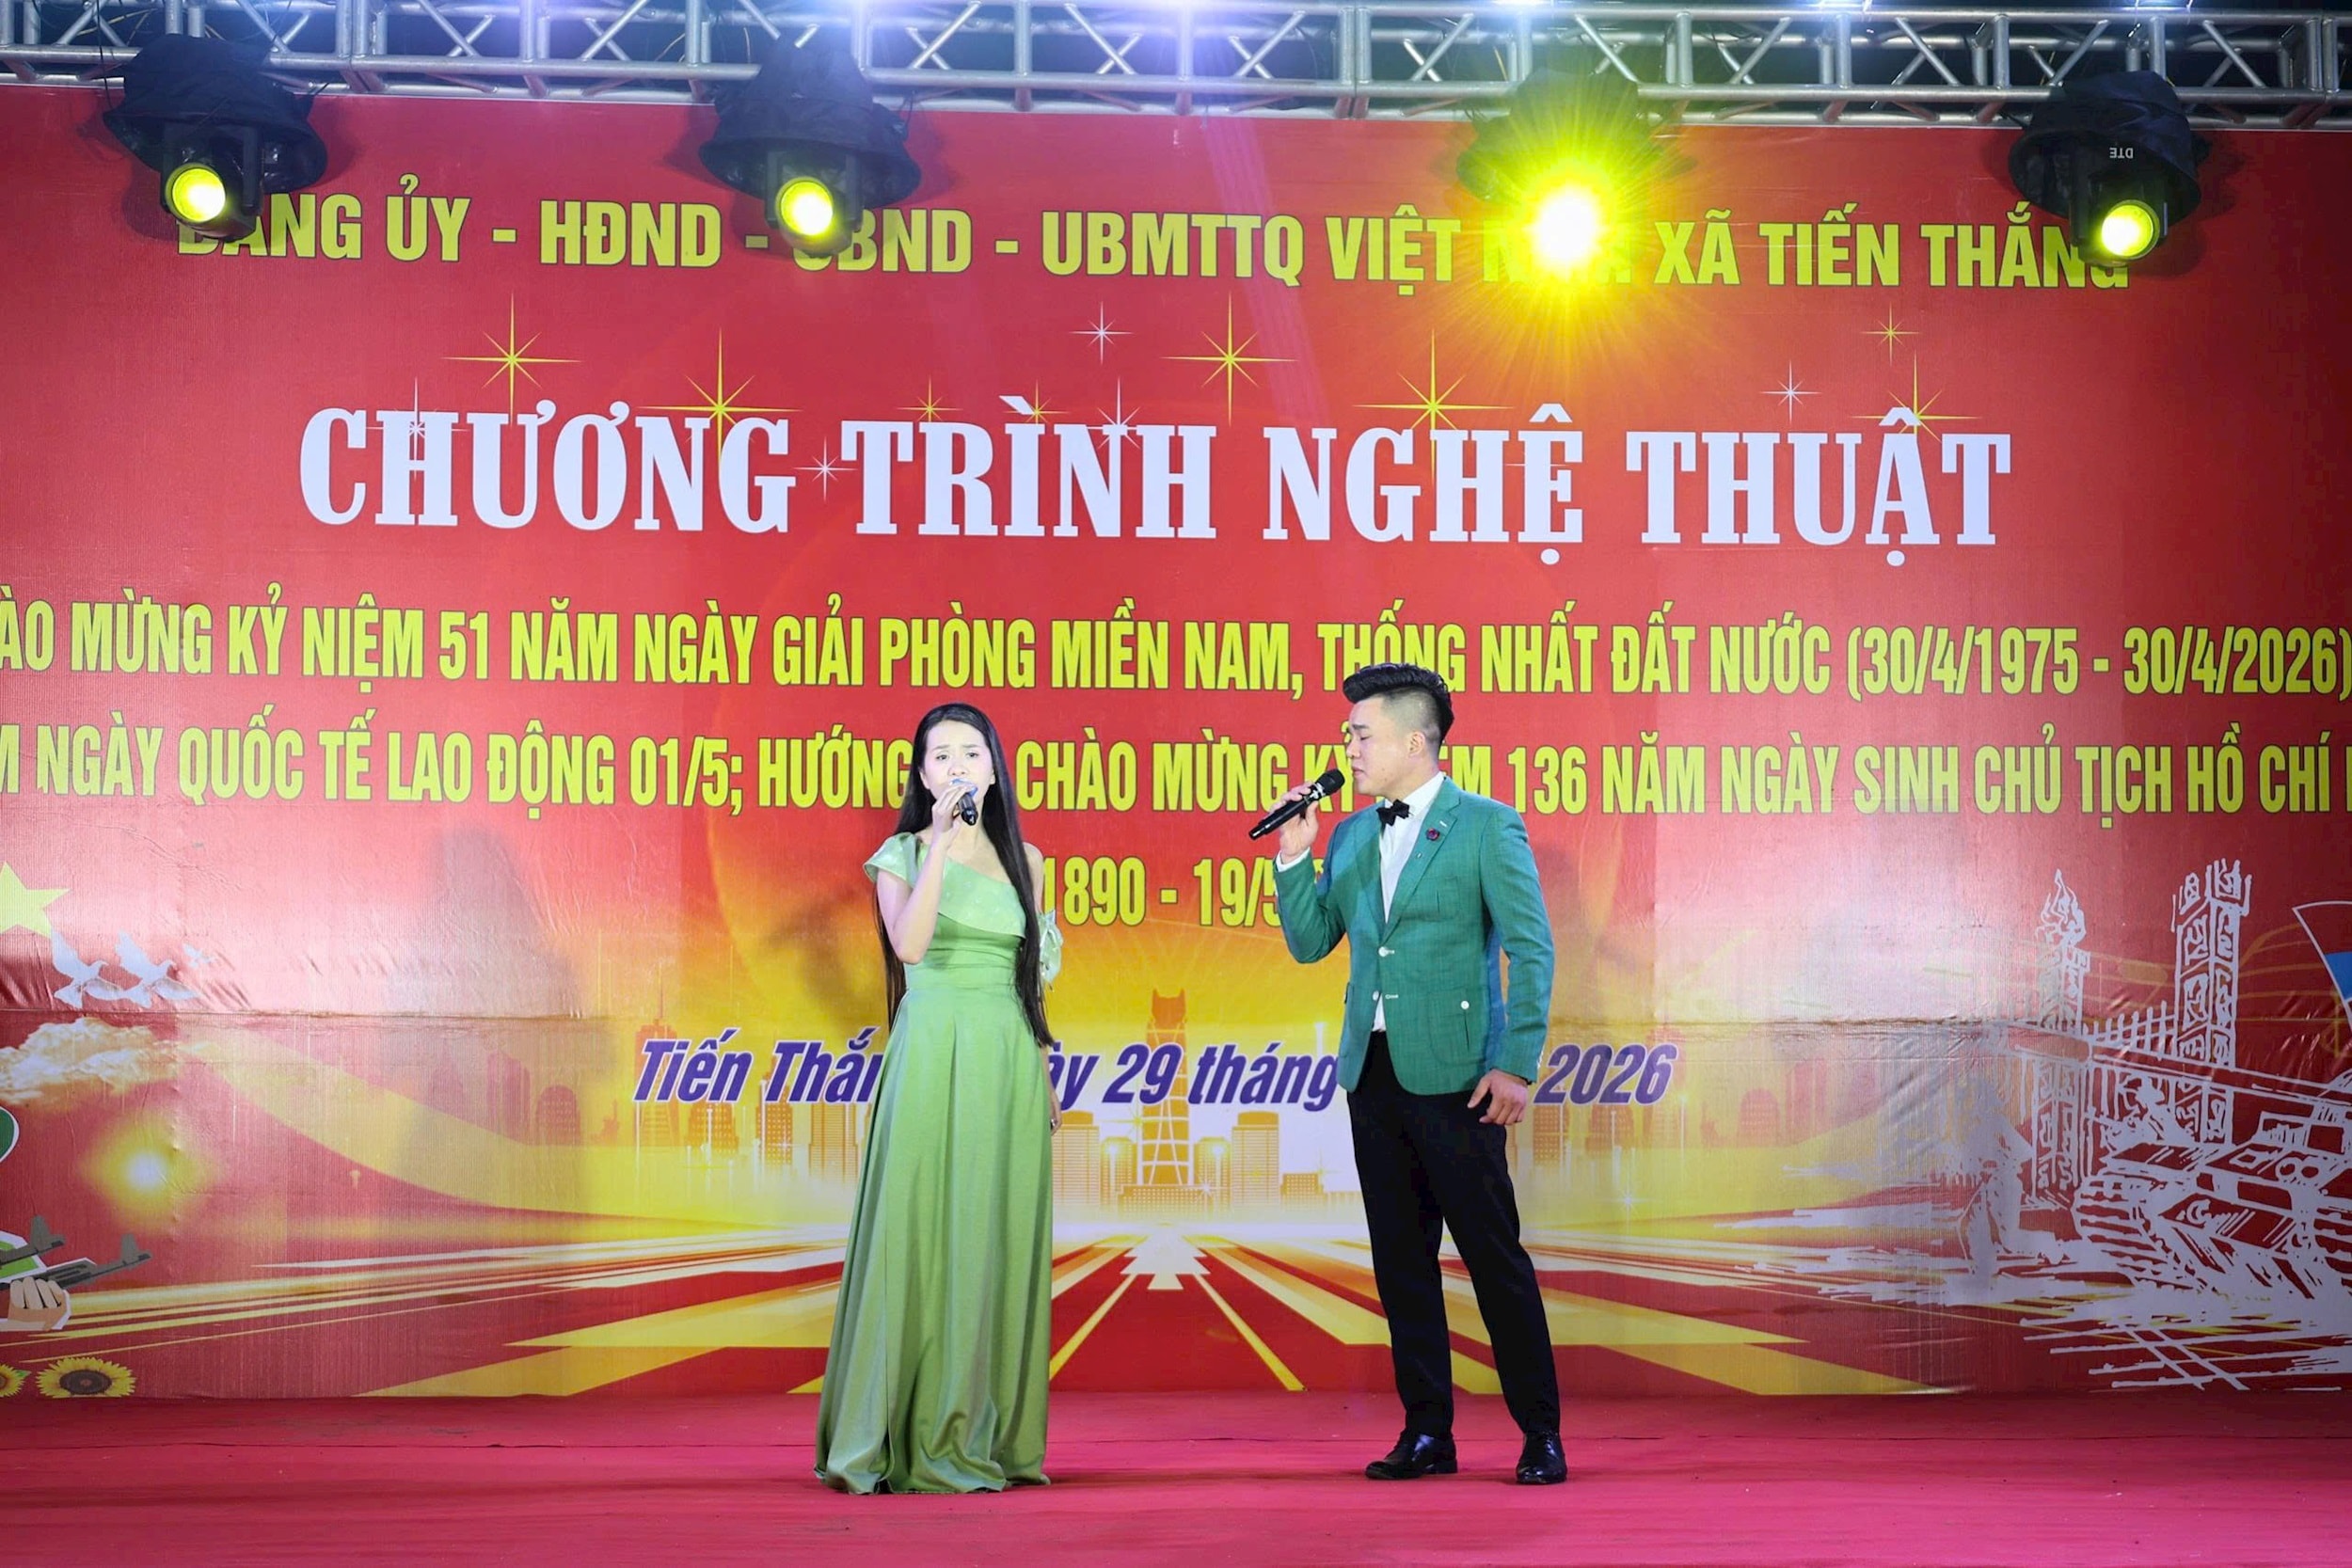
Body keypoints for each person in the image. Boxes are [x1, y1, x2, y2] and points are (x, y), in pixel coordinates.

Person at [1268, 662, 1565, 1486]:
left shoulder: (1487, 826)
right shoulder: (1351, 834)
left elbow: (1532, 948)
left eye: (1361, 735)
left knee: (1492, 1256)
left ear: (1413, 740)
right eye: (1349, 735)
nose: (1349, 749)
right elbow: (1311, 942)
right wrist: (1294, 857)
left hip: (1460, 1075)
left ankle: (1541, 1430)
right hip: (1374, 1072)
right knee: (1402, 1262)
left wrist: (1515, 1064)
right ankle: (1428, 1430)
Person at [814, 702, 1062, 1495]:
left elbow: (1031, 981)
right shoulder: (902, 854)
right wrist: (942, 847)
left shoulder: (1028, 860)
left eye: (972, 752)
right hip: (930, 1049)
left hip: (1006, 1056)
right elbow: (911, 946)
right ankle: (902, 1427)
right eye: (942, 755)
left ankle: (981, 1427)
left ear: (994, 767)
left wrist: (1043, 1070)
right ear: (923, 775)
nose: (958, 765)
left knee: (991, 1235)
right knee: (917, 1231)